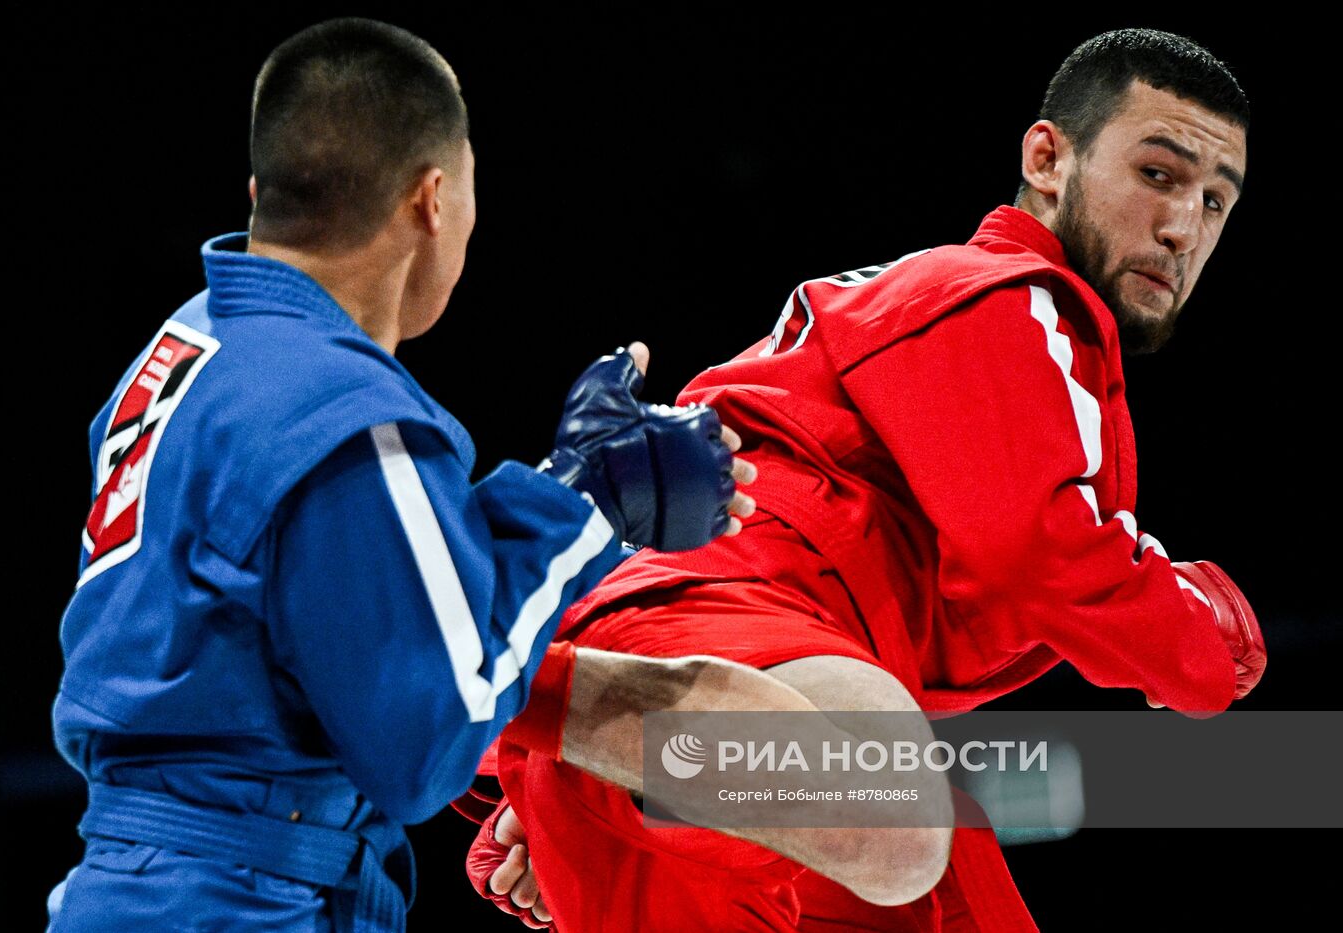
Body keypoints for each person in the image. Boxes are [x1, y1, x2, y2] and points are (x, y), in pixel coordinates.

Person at [463, 27, 1267, 932]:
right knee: (899, 818)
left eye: (1215, 202)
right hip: (727, 616)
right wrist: (1202, 636)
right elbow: (1037, 555)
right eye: (1158, 175)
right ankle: (500, 689)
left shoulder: (933, 304)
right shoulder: (1002, 294)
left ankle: (601, 766)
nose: (1182, 225)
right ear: (1048, 158)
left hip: (746, 692)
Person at [44, 18, 767, 933]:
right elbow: (427, 742)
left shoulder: (184, 349)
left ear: (265, 191)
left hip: (131, 884)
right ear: (433, 199)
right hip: (243, 903)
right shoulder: (344, 410)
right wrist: (586, 498)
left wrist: (559, 497)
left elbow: (333, 599)